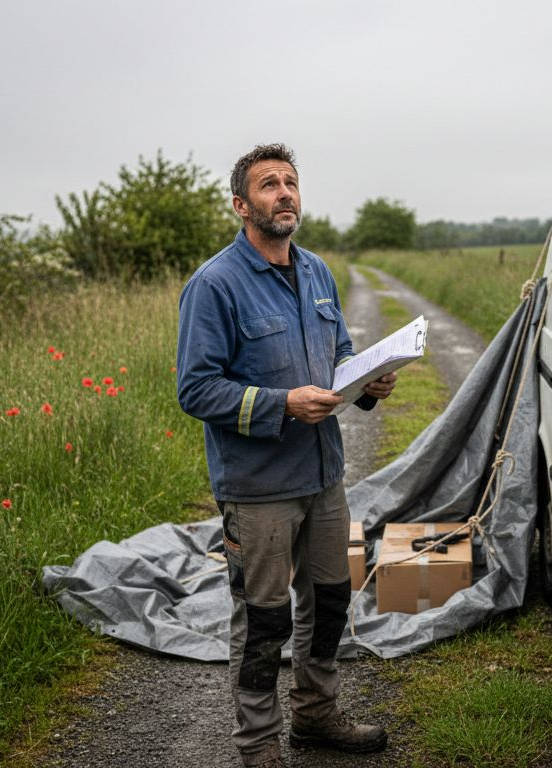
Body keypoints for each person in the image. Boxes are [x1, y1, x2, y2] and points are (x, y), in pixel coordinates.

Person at [176, 143, 396, 768]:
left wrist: (369, 384)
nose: (285, 193)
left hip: (324, 476)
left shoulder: (319, 273)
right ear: (243, 205)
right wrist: (281, 404)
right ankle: (257, 745)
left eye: (291, 182)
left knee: (329, 602)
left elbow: (342, 359)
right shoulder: (215, 285)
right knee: (264, 622)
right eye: (269, 184)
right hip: (258, 487)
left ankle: (315, 715)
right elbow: (194, 388)